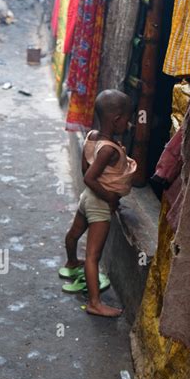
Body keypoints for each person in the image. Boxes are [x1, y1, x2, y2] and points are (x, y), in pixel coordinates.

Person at [63, 90, 137, 318]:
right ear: (116, 120)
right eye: (127, 118)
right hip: (99, 206)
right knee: (94, 256)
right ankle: (95, 302)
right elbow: (89, 178)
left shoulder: (93, 137)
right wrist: (111, 198)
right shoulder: (109, 150)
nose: (131, 122)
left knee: (73, 234)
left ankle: (72, 261)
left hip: (88, 199)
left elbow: (85, 169)